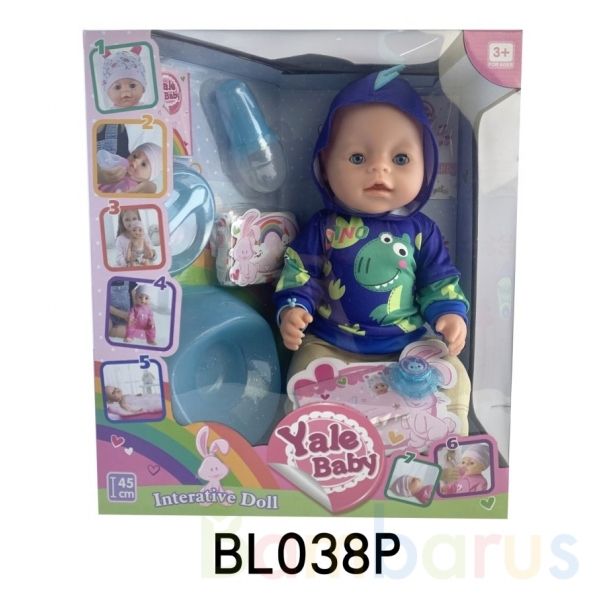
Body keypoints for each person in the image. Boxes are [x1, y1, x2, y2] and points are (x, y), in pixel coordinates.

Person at [273, 67, 471, 431]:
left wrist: (449, 313)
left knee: (454, 376)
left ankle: (447, 443)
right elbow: (300, 272)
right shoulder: (323, 227)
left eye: (400, 159)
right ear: (325, 164)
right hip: (330, 344)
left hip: (407, 349)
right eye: (358, 158)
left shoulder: (421, 230)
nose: (379, 168)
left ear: (427, 165)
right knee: (302, 375)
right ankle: (306, 441)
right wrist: (294, 308)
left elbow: (439, 280)